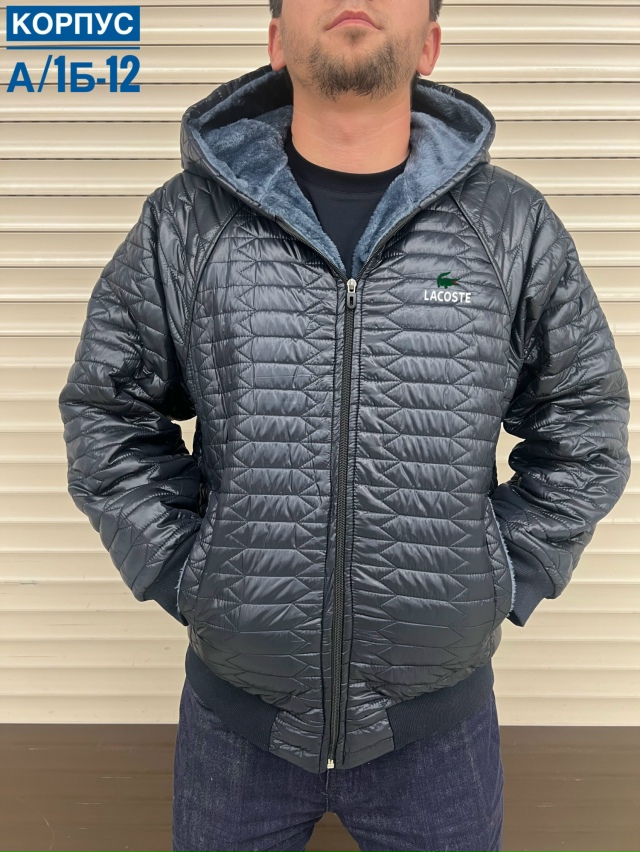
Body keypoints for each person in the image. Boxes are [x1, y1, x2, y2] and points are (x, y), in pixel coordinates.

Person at [58, 1, 631, 850]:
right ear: (275, 39)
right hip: (236, 726)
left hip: (437, 732)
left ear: (429, 44)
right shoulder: (186, 225)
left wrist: (500, 575)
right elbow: (108, 411)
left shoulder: (510, 229)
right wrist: (189, 571)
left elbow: (586, 423)